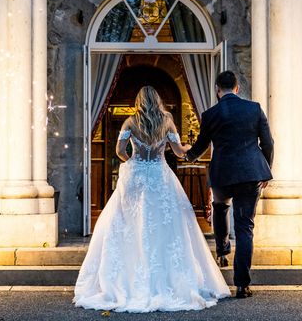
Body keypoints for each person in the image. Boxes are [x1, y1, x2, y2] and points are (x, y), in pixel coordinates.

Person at [73, 86, 230, 313]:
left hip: (136, 175)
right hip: (160, 174)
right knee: (164, 224)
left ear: (138, 102)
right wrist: (189, 148)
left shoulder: (130, 122)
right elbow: (177, 151)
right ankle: (169, 280)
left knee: (131, 222)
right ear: (157, 101)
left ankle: (129, 278)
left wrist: (131, 162)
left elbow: (119, 150)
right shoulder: (167, 121)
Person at [186, 71, 274, 299]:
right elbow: (268, 142)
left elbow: (201, 145)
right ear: (237, 88)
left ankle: (222, 250)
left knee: (220, 208)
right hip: (250, 173)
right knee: (245, 227)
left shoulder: (210, 114)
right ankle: (242, 285)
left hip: (223, 173)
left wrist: (187, 156)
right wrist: (266, 169)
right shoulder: (254, 109)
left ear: (218, 89)